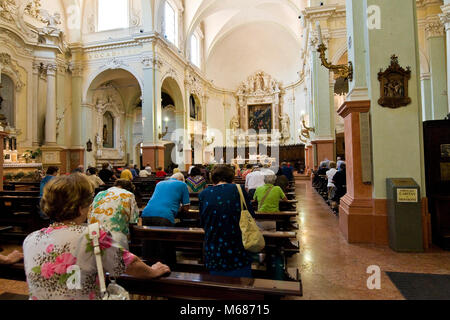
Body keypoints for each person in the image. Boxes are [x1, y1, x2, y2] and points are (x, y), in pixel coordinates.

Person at [23, 174, 170, 300]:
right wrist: (153, 271)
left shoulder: (30, 239)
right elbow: (128, 264)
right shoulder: (92, 235)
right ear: (80, 208)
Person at [199, 165, 255, 278]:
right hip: (237, 245)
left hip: (214, 246)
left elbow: (202, 221)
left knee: (217, 284)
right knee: (242, 285)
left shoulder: (204, 194)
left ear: (213, 178)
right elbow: (251, 216)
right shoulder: (239, 190)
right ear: (231, 177)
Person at [141, 172, 190, 266]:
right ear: (181, 179)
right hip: (165, 216)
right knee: (166, 245)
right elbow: (186, 207)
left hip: (146, 214)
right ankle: (169, 270)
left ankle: (149, 268)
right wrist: (177, 208)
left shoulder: (159, 183)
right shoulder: (182, 184)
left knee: (149, 244)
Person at [88, 179, 139, 249]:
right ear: (129, 189)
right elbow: (133, 220)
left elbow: (89, 214)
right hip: (116, 237)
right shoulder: (129, 195)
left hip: (94, 234)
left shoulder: (100, 194)